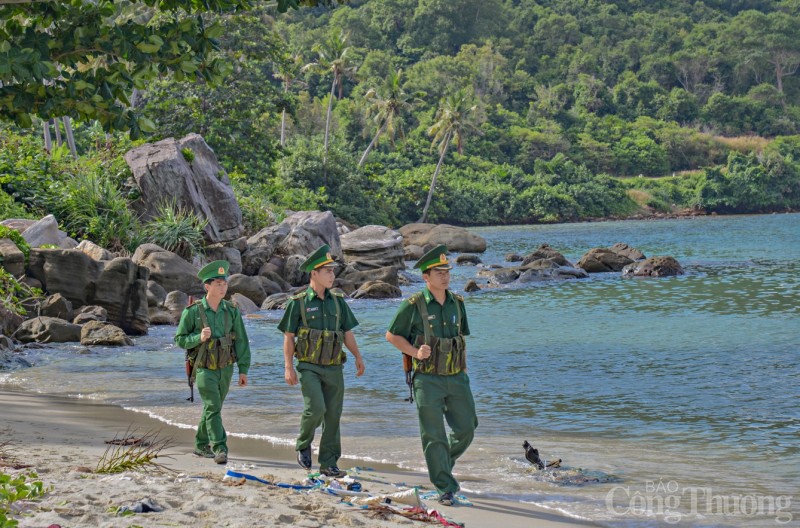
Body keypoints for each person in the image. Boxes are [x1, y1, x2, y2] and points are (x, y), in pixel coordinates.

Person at [385, 245, 478, 506]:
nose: (445, 276)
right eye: (439, 272)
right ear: (426, 277)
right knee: (434, 434)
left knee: (467, 428)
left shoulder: (457, 304)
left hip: (457, 377)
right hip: (427, 380)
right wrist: (415, 352)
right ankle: (445, 487)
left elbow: (462, 341)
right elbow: (392, 336)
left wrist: (465, 372)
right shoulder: (412, 306)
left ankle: (441, 465)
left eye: (447, 271)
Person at [279, 244, 365, 478]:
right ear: (313, 273)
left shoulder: (338, 302)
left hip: (335, 367)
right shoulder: (297, 303)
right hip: (309, 367)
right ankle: (303, 442)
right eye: (327, 271)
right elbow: (289, 337)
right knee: (315, 408)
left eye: (333, 271)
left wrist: (357, 356)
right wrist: (288, 367)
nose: (332, 275)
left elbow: (347, 332)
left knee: (333, 416)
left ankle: (328, 462)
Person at [175, 260, 250, 465]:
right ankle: (220, 448)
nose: (222, 287)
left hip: (226, 368)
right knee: (213, 405)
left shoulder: (231, 311)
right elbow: (179, 339)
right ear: (207, 286)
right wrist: (198, 338)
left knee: (212, 408)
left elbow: (242, 341)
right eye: (218, 283)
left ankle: (200, 445)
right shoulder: (193, 312)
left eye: (224, 283)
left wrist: (243, 370)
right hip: (203, 368)